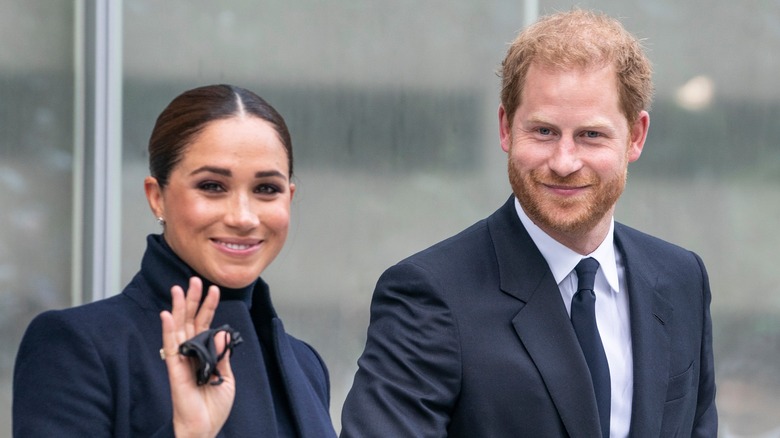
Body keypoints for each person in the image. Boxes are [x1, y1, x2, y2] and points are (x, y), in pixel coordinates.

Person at [341, 9, 717, 438]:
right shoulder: (429, 295)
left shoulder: (682, 279)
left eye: (591, 135)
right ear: (505, 128)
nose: (564, 162)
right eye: (543, 131)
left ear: (636, 136)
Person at [13, 84, 337, 437]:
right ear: (157, 197)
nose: (243, 217)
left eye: (266, 189)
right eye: (212, 186)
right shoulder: (77, 346)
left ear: (289, 198)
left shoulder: (305, 365)